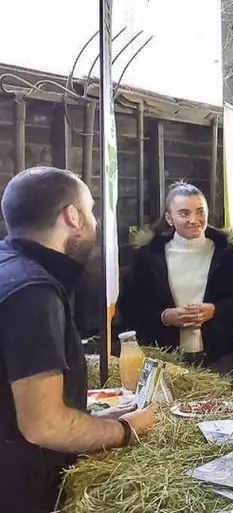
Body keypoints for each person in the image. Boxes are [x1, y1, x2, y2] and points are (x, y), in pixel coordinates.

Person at [0, 167, 156, 513]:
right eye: (91, 211)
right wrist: (124, 430)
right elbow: (45, 424)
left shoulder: (9, 266)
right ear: (72, 216)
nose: (95, 222)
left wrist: (91, 421)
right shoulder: (33, 292)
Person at [118, 182, 233, 374]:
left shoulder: (228, 255)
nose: (194, 219)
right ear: (169, 218)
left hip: (219, 357)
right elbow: (131, 307)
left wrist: (216, 310)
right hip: (165, 358)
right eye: (184, 213)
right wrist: (165, 317)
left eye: (200, 212)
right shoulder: (148, 257)